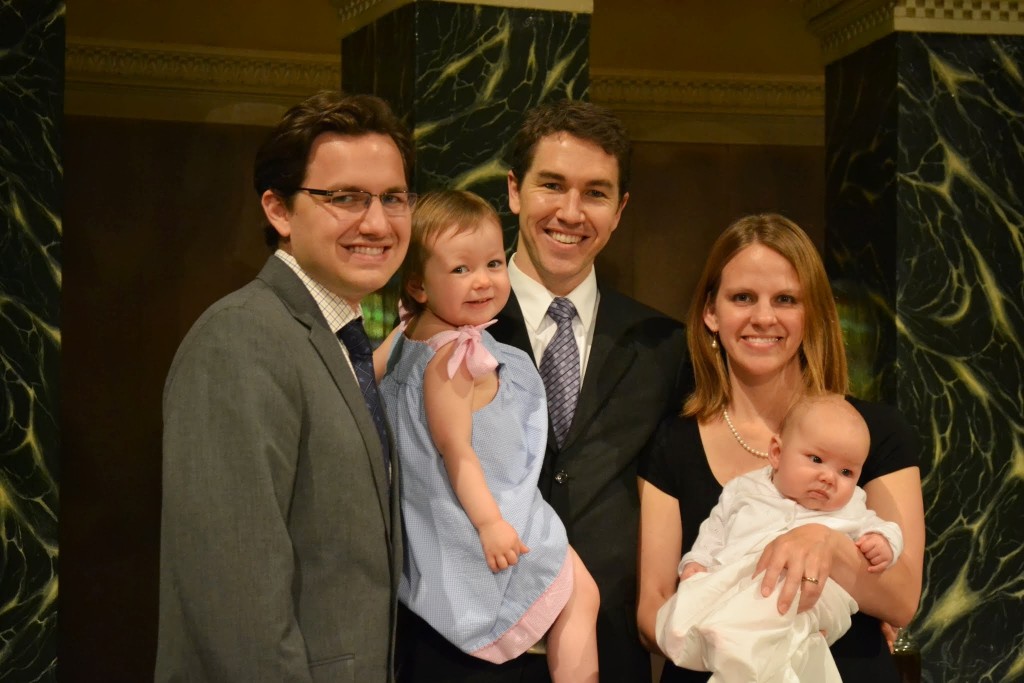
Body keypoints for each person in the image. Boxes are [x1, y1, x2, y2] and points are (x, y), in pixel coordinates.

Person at [396, 100, 689, 682]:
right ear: (514, 190)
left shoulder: (666, 346)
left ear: (620, 210)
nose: (570, 212)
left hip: (604, 654)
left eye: (596, 193)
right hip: (454, 647)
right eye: (552, 185)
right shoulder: (443, 328)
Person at [156, 91, 412, 682]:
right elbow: (237, 602)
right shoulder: (241, 337)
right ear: (278, 210)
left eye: (393, 198)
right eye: (345, 197)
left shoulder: (341, 336)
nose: (377, 223)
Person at [637, 213, 925, 683]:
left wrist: (826, 544)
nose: (764, 317)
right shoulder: (673, 441)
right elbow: (653, 606)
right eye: (742, 298)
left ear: (812, 314)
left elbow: (902, 600)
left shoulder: (877, 431)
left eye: (786, 299)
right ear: (711, 313)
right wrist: (743, 643)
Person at [377, 190, 600, 682]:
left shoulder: (408, 335)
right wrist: (490, 524)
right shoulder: (451, 358)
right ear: (418, 285)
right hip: (476, 515)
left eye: (494, 263)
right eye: (461, 269)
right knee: (583, 591)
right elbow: (456, 451)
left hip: (450, 516)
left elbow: (369, 380)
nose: (483, 281)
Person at [655, 393, 904, 682]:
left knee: (778, 625)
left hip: (813, 595)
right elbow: (715, 531)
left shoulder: (851, 506)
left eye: (846, 472)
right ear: (776, 452)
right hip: (745, 582)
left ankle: (746, 653)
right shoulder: (745, 490)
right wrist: (696, 562)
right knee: (692, 604)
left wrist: (883, 542)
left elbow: (885, 527)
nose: (829, 477)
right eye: (816, 459)